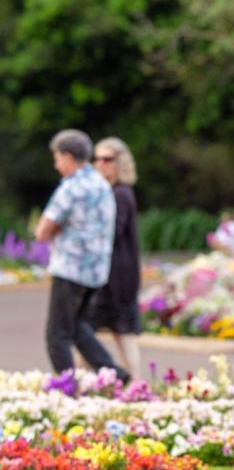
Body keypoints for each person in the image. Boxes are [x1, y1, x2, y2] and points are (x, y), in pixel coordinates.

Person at [34, 129, 128, 382]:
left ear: (67, 157)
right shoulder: (101, 185)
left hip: (70, 268)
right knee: (78, 327)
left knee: (57, 335)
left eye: (56, 159)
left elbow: (42, 231)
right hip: (96, 271)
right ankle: (115, 375)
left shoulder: (71, 188)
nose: (56, 165)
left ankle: (67, 388)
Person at [87, 137, 143, 380]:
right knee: (95, 330)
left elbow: (109, 233)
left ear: (119, 163)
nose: (100, 163)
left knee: (116, 331)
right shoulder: (110, 191)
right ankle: (132, 383)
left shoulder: (120, 193)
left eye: (107, 159)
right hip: (111, 274)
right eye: (97, 158)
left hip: (117, 276)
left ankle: (135, 382)